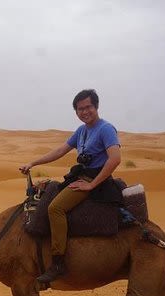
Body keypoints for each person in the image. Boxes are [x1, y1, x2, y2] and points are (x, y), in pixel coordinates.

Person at [19, 89, 122, 284]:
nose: (85, 112)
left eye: (88, 107)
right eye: (80, 109)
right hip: (81, 176)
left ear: (96, 106)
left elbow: (115, 159)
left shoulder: (106, 129)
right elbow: (60, 150)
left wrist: (92, 184)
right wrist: (33, 163)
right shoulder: (82, 131)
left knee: (55, 208)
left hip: (96, 180)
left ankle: (58, 262)